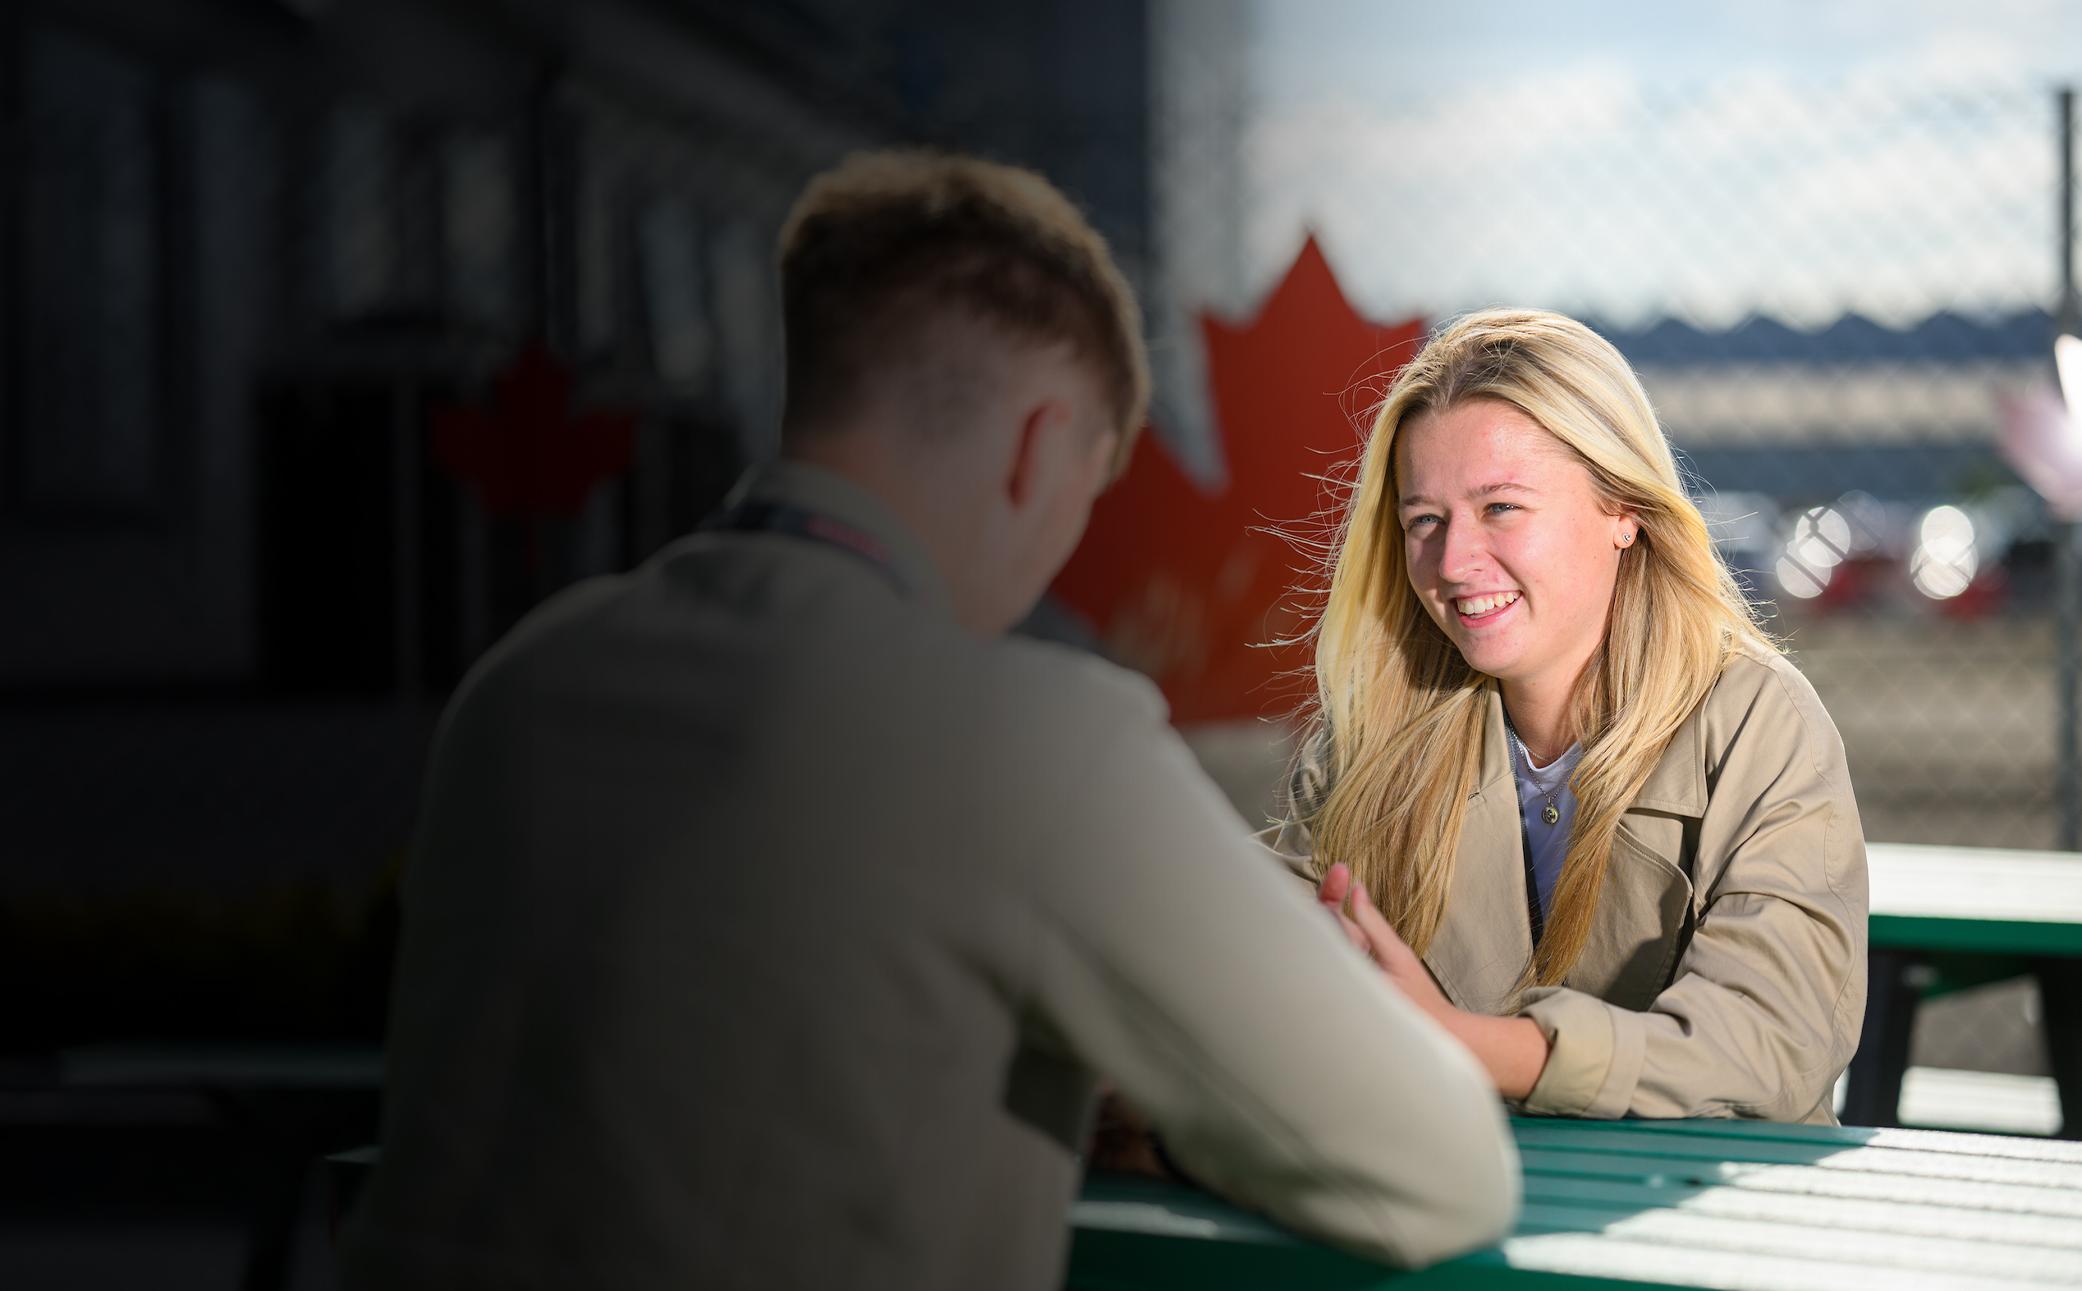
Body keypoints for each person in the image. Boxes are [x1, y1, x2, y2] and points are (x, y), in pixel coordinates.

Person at [338, 152, 1517, 1291]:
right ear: (1040, 446)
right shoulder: (1029, 740)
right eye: (1093, 490)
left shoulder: (522, 683)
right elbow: (1440, 1171)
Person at [1267, 308, 1868, 1124]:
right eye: (1424, 521)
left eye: (1501, 508)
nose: (1451, 562)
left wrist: (1463, 1043)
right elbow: (1266, 956)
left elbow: (1770, 1039)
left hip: (1714, 1219)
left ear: (1622, 507)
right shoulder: (1377, 726)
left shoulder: (1757, 720)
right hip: (1462, 1211)